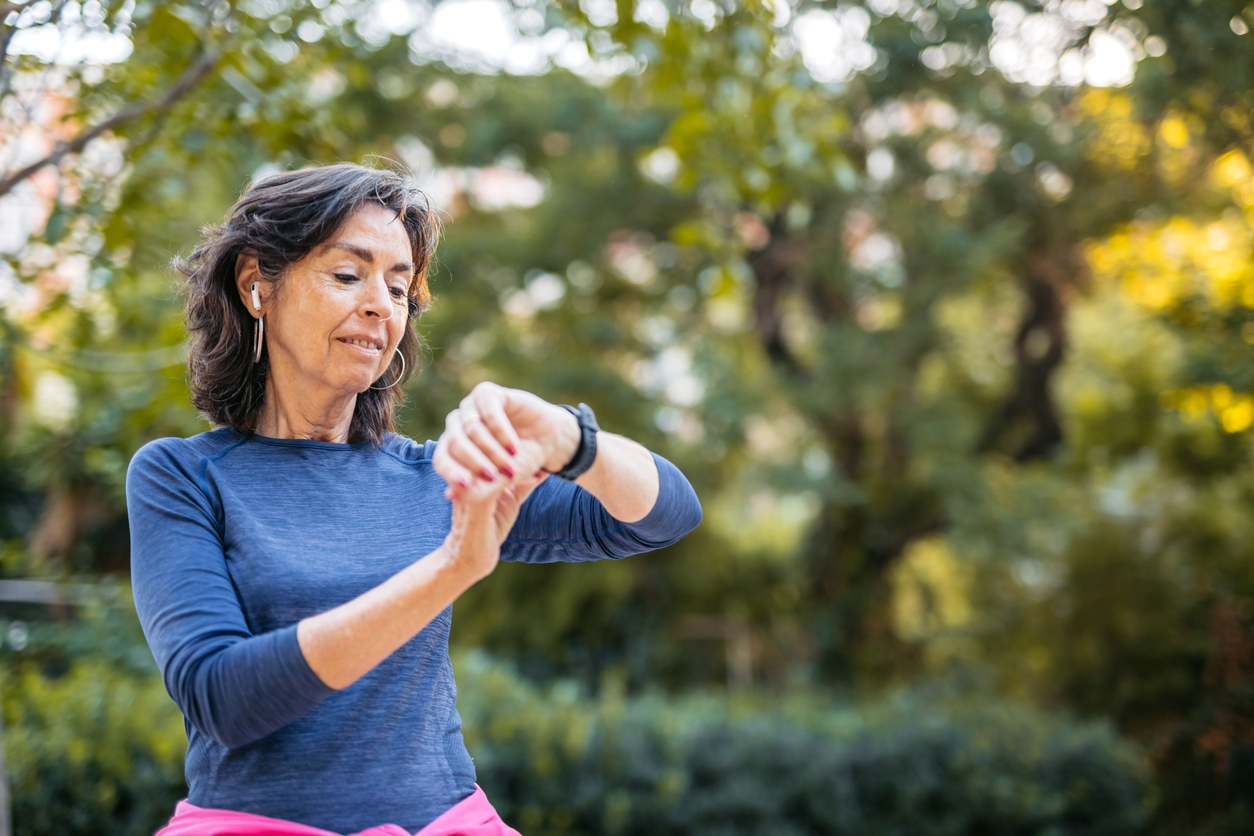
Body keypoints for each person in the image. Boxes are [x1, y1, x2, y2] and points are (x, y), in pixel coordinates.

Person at [126, 163, 703, 836]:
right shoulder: (183, 478)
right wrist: (451, 569)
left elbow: (666, 513)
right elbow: (222, 696)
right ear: (257, 284)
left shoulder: (437, 478)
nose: (380, 304)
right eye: (348, 275)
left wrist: (570, 438)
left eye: (399, 288)